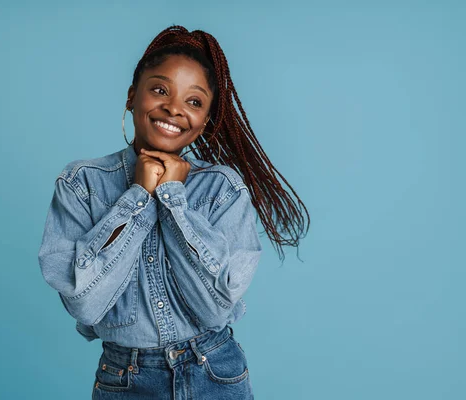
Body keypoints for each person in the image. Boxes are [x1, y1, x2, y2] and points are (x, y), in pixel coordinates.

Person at [38, 25, 310, 400]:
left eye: (194, 102)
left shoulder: (222, 190)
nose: (174, 108)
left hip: (215, 372)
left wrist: (172, 197)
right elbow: (86, 304)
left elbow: (213, 311)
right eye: (160, 90)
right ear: (133, 95)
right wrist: (137, 195)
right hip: (125, 379)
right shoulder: (80, 183)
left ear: (206, 119)